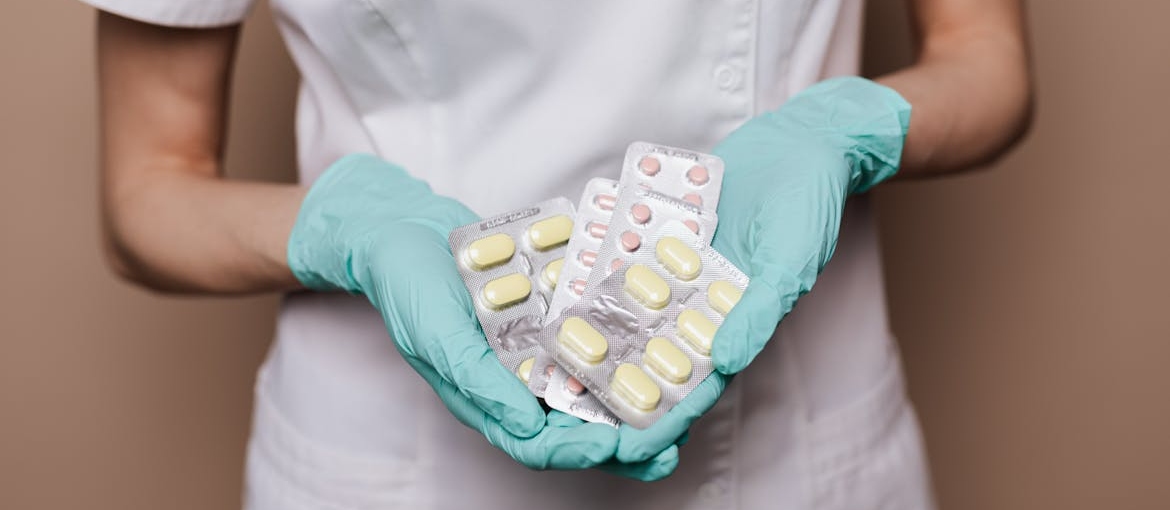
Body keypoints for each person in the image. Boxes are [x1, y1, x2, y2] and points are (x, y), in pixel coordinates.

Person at [84, 0, 1032, 508]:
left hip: (800, 445)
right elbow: (146, 193)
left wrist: (843, 131)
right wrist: (348, 229)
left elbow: (986, 58)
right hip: (396, 467)